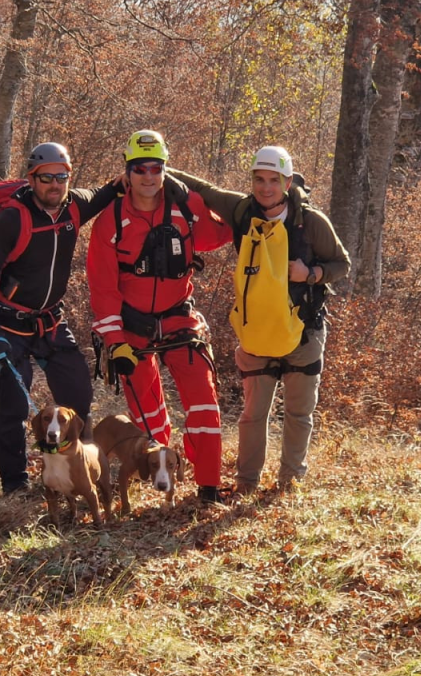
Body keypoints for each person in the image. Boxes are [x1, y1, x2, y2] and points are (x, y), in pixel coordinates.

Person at [169, 146, 350, 493]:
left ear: (286, 182)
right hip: (256, 334)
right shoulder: (241, 209)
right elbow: (203, 190)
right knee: (253, 416)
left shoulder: (311, 221)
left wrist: (310, 273)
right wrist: (153, 167)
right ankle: (246, 484)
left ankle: (289, 484)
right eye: (259, 179)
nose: (265, 187)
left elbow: (342, 265)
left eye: (273, 180)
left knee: (298, 415)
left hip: (303, 332)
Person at [86, 130, 236, 504]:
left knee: (202, 399)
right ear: (128, 171)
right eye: (140, 169)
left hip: (178, 319)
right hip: (132, 324)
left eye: (156, 169)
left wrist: (195, 202)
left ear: (166, 170)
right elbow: (102, 286)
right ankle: (158, 469)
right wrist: (114, 339)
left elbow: (220, 234)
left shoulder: (184, 209)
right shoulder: (111, 220)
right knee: (147, 409)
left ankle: (207, 485)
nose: (148, 177)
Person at [0, 142, 119, 496]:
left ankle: (79, 473)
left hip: (51, 323)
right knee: (15, 406)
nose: (55, 185)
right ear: (32, 179)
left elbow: (111, 189)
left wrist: (152, 168)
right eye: (47, 177)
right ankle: (16, 486)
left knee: (78, 395)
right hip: (10, 327)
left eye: (62, 177)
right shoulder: (12, 219)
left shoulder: (74, 206)